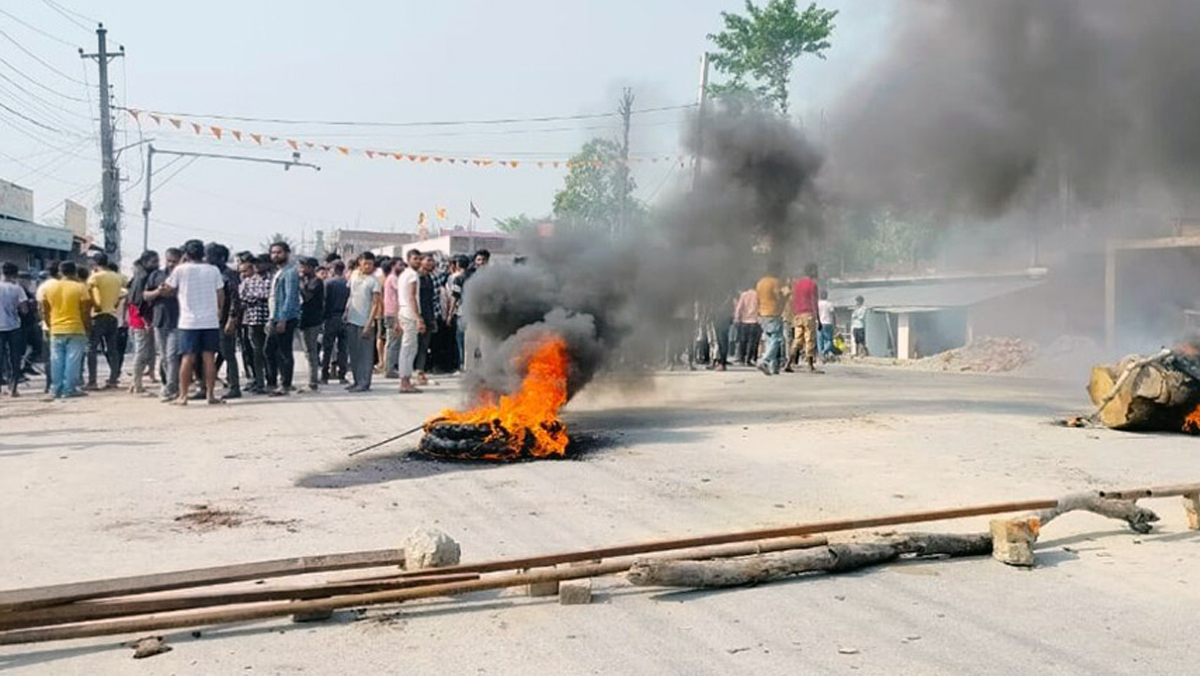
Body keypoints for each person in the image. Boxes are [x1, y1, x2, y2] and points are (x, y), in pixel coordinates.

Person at [161, 239, 225, 405]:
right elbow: (220, 293)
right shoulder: (213, 270)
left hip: (188, 321)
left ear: (186, 254)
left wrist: (180, 263)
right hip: (210, 320)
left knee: (187, 358)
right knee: (209, 358)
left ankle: (183, 396)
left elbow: (167, 288)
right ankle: (210, 395)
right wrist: (219, 311)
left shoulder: (180, 270)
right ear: (203, 253)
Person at [39, 261, 91, 399]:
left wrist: (50, 325)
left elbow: (44, 310)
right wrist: (87, 328)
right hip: (76, 328)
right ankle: (69, 389)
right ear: (74, 272)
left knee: (56, 360)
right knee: (72, 360)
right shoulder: (80, 288)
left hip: (56, 329)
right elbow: (85, 311)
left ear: (60, 272)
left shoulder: (49, 288)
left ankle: (55, 389)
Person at [144, 248, 182, 401]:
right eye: (169, 260)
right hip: (160, 320)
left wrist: (173, 292)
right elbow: (146, 295)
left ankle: (172, 388)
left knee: (172, 355)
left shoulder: (183, 275)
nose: (171, 264)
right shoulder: (156, 275)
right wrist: (158, 292)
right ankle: (169, 384)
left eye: (174, 261)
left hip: (179, 320)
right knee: (164, 356)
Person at [206, 243, 242, 400]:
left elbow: (235, 298)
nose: (207, 259)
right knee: (208, 354)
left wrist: (232, 319)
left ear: (220, 258)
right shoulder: (211, 273)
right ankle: (206, 386)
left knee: (228, 354)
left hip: (224, 319)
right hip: (209, 319)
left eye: (210, 256)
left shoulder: (229, 274)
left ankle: (234, 386)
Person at [85, 252, 124, 389]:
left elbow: (88, 294)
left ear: (95, 263)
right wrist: (116, 302)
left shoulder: (95, 278)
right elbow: (126, 290)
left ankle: (92, 381)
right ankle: (113, 379)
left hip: (97, 316)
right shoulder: (118, 277)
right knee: (112, 349)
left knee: (92, 349)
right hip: (112, 316)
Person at [266, 241, 300, 396]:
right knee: (270, 350)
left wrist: (283, 319)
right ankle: (274, 382)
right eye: (273, 252)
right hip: (275, 316)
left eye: (279, 252)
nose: (275, 255)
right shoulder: (278, 272)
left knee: (283, 351)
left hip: (285, 317)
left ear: (287, 253)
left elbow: (290, 297)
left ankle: (285, 384)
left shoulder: (290, 272)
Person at [345, 252, 381, 392]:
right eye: (365, 263)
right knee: (354, 353)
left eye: (371, 264)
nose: (368, 266)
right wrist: (346, 312)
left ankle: (364, 382)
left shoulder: (374, 281)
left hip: (365, 322)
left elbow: (375, 304)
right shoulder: (354, 275)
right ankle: (356, 380)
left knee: (365, 354)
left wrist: (369, 323)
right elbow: (351, 295)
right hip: (352, 319)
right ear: (360, 262)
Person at [127, 250, 159, 394]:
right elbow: (141, 302)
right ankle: (137, 384)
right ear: (145, 262)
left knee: (143, 352)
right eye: (154, 262)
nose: (157, 265)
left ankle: (135, 383)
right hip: (141, 319)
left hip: (137, 318)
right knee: (141, 353)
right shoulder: (143, 277)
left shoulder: (137, 276)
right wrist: (146, 321)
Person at [239, 256, 272, 394]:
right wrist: (258, 298)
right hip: (253, 321)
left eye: (260, 263)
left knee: (269, 352)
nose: (258, 266)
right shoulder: (248, 281)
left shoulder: (271, 280)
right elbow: (243, 296)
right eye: (255, 264)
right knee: (256, 353)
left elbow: (269, 295)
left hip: (268, 320)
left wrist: (256, 298)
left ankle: (272, 381)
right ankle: (259, 382)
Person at [396, 248, 424, 393]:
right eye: (415, 259)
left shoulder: (403, 275)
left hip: (404, 312)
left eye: (419, 259)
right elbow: (412, 297)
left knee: (408, 348)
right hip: (409, 314)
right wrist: (419, 318)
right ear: (408, 260)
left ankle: (405, 380)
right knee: (409, 349)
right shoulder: (412, 275)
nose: (418, 261)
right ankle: (404, 381)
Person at [0, 262, 29, 397]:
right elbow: (24, 310)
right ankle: (14, 388)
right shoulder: (18, 289)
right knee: (15, 357)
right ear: (15, 274)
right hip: (13, 327)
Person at [298, 257, 325, 391]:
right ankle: (311, 379)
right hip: (303, 320)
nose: (302, 269)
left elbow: (307, 296)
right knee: (307, 352)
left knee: (311, 351)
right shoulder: (306, 281)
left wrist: (300, 283)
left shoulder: (316, 282)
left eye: (305, 266)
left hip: (312, 321)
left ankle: (313, 381)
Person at [788, 263, 820, 373]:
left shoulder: (797, 284)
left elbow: (793, 299)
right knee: (809, 339)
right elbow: (814, 302)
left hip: (798, 314)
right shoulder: (812, 284)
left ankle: (789, 363)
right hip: (808, 314)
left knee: (797, 340)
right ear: (812, 271)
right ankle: (810, 366)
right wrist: (818, 319)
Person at [321, 260, 350, 383]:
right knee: (343, 348)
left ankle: (324, 375)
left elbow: (325, 302)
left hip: (331, 317)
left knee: (327, 348)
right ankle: (342, 375)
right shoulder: (348, 283)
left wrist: (323, 318)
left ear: (333, 269)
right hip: (345, 317)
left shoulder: (328, 283)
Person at [755, 263, 784, 376]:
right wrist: (785, 294)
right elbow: (778, 297)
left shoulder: (760, 282)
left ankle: (773, 366)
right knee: (776, 339)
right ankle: (765, 360)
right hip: (773, 313)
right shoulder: (775, 282)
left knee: (769, 340)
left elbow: (758, 299)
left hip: (763, 313)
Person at [414, 253, 438, 384]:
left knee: (423, 346)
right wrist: (419, 318)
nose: (431, 263)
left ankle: (420, 371)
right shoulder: (416, 278)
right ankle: (410, 373)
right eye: (428, 260)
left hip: (428, 316)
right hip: (418, 316)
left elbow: (430, 301)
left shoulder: (429, 277)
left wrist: (432, 319)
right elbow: (416, 300)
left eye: (432, 261)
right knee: (414, 347)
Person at [447, 254, 469, 372]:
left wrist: (450, 314)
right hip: (475, 313)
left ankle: (462, 365)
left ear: (457, 265)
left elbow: (455, 297)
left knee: (461, 340)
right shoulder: (475, 276)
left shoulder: (458, 279)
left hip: (462, 313)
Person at [380, 260, 401, 378]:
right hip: (394, 312)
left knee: (391, 341)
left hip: (389, 312)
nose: (402, 267)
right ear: (393, 266)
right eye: (400, 265)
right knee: (394, 342)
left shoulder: (389, 278)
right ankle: (390, 368)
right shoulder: (393, 278)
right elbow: (401, 292)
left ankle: (388, 367)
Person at [733, 286, 760, 366]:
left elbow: (739, 307)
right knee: (752, 341)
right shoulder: (758, 295)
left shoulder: (744, 294)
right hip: (755, 320)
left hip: (744, 320)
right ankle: (749, 359)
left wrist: (737, 318)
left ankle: (741, 358)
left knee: (743, 340)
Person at [817, 288, 835, 361]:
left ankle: (821, 353)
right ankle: (824, 351)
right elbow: (833, 314)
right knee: (829, 340)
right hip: (828, 323)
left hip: (819, 323)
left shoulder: (817, 304)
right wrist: (835, 324)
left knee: (820, 340)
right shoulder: (829, 304)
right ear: (826, 296)